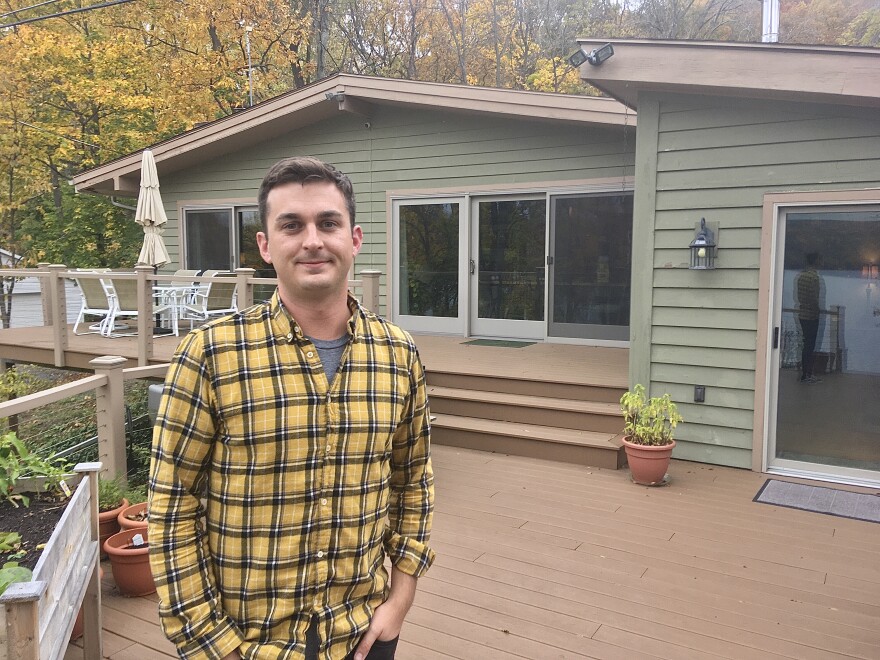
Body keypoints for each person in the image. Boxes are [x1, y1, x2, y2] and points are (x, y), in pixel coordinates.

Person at [148, 156, 435, 660]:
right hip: (246, 642)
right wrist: (214, 645)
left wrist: (401, 598)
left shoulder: (398, 355)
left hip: (364, 634)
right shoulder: (210, 354)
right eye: (291, 225)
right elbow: (171, 508)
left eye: (328, 223)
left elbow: (413, 481)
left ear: (355, 238)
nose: (312, 241)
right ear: (264, 246)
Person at [795, 252, 822, 383]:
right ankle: (807, 374)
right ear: (815, 261)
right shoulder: (814, 278)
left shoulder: (801, 276)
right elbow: (814, 298)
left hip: (802, 314)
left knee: (806, 344)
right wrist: (818, 310)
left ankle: (805, 373)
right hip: (811, 316)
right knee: (810, 346)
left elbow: (800, 297)